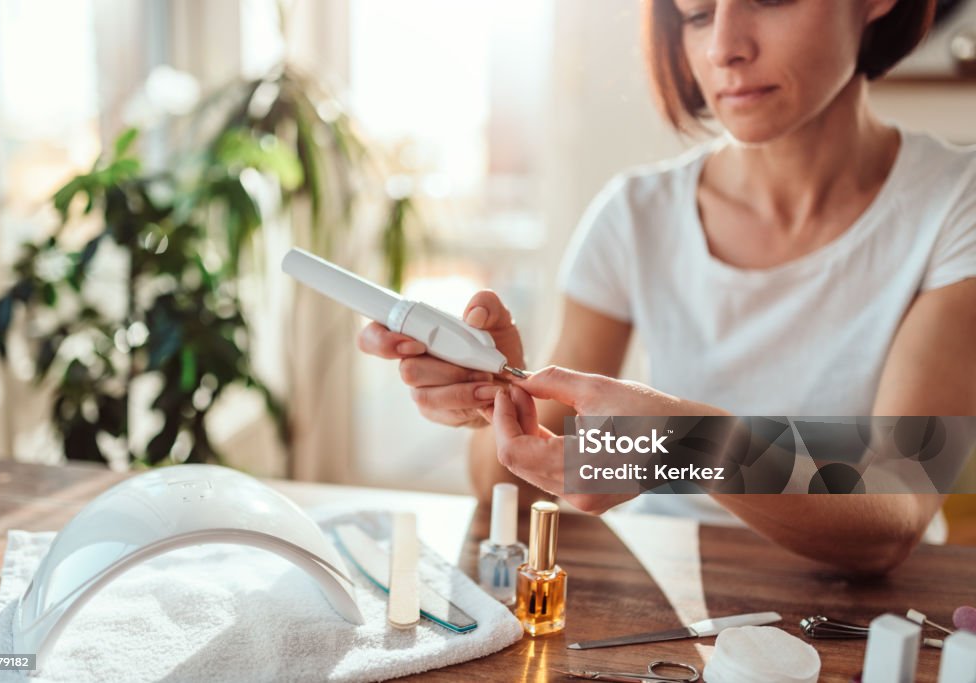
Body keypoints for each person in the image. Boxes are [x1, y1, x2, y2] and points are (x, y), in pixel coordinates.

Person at [359, 0, 976, 575]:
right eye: (698, 14)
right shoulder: (635, 213)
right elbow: (513, 490)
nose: (724, 48)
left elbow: (895, 509)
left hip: (881, 614)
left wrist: (687, 443)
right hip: (667, 580)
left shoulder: (954, 204)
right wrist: (491, 400)